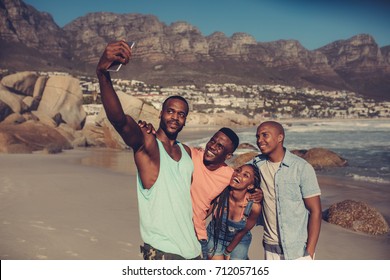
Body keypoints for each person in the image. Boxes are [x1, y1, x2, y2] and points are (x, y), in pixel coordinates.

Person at [96, 40, 200, 260]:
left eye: (181, 114)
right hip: (163, 254)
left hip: (193, 251)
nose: (175, 117)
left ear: (185, 121)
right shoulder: (149, 145)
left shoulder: (188, 154)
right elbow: (120, 121)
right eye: (170, 111)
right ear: (161, 114)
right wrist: (102, 73)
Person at [252, 121, 322, 260]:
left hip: (298, 251)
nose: (259, 140)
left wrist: (310, 249)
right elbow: (236, 177)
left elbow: (316, 210)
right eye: (258, 136)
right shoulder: (256, 164)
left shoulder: (301, 168)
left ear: (280, 138)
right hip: (269, 248)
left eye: (265, 135)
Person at [206, 164, 262, 260]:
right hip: (215, 236)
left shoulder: (253, 206)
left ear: (250, 186)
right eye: (238, 170)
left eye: (246, 175)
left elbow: (243, 232)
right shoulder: (220, 194)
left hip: (240, 241)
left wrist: (228, 251)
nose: (238, 175)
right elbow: (204, 214)